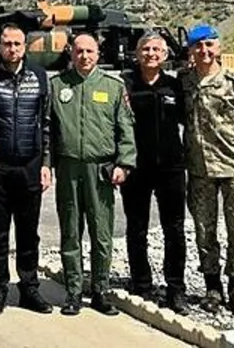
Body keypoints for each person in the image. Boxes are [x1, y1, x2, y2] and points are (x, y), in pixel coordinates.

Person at [179, 24, 234, 317]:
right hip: (199, 169)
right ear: (191, 50)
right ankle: (212, 286)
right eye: (198, 46)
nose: (204, 51)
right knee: (204, 232)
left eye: (209, 45)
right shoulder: (184, 81)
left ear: (218, 48)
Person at [46, 33, 137, 316]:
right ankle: (73, 291)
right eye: (79, 51)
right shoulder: (57, 85)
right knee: (70, 231)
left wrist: (124, 163)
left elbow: (126, 129)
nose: (84, 56)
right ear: (71, 54)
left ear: (98, 54)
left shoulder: (112, 87)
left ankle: (100, 290)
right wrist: (46, 164)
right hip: (68, 169)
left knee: (101, 233)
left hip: (101, 170)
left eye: (89, 51)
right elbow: (47, 130)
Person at [0, 23, 53, 315]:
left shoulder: (40, 77)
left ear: (25, 45)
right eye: (7, 44)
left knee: (28, 232)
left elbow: (46, 123)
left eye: (17, 44)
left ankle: (29, 288)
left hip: (30, 166)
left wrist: (46, 163)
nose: (12, 49)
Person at [120, 30, 190, 314]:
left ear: (164, 55)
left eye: (156, 50)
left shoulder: (174, 86)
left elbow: (189, 120)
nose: (150, 54)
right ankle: (142, 284)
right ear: (137, 54)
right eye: (145, 49)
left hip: (171, 169)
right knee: (137, 229)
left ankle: (176, 288)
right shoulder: (126, 85)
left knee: (174, 230)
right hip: (137, 168)